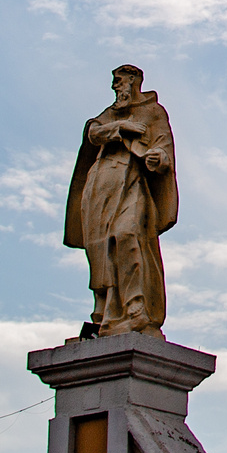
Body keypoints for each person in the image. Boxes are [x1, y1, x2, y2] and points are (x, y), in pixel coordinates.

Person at [63, 65, 180, 337]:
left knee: (127, 234)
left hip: (132, 181)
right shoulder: (110, 115)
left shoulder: (153, 111)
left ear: (133, 81)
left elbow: (164, 145)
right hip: (101, 182)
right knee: (102, 247)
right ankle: (104, 312)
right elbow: (93, 131)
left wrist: (158, 157)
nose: (115, 87)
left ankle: (136, 305)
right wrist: (121, 127)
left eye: (118, 81)